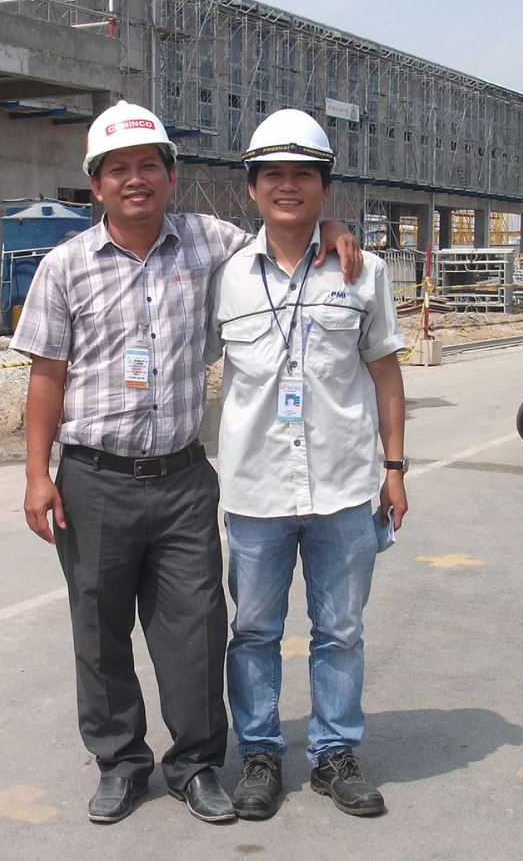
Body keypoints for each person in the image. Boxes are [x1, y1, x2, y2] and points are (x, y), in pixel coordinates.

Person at [11, 101, 360, 826]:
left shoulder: (212, 244)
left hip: (180, 478)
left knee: (197, 628)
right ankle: (120, 762)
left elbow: (283, 229)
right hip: (92, 478)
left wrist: (330, 230)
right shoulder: (63, 267)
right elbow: (46, 374)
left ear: (171, 176)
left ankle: (198, 765)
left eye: (147, 166)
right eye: (117, 170)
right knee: (98, 629)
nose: (133, 180)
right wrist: (37, 474)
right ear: (97, 185)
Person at [206, 108, 408, 820]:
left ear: (325, 188)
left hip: (345, 487)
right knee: (254, 631)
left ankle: (333, 754)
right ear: (253, 188)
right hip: (257, 488)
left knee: (341, 630)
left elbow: (385, 373)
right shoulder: (223, 275)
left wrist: (395, 468)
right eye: (274, 175)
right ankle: (260, 753)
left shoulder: (364, 271)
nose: (288, 186)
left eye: (303, 175)